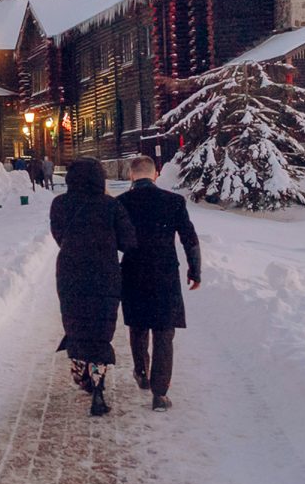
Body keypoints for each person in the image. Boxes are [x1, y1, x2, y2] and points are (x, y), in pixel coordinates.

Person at [49, 157, 136, 416]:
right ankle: (98, 386)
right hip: (105, 273)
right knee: (100, 329)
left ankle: (81, 373)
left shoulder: (59, 204)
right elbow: (128, 242)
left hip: (70, 273)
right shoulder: (111, 205)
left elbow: (58, 235)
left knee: (76, 324)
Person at [117, 155, 201, 412]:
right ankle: (160, 393)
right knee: (164, 331)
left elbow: (114, 241)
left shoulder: (121, 203)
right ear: (156, 174)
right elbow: (189, 238)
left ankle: (141, 372)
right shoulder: (173, 202)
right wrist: (195, 270)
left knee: (138, 325)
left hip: (132, 272)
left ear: (131, 175)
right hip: (165, 273)